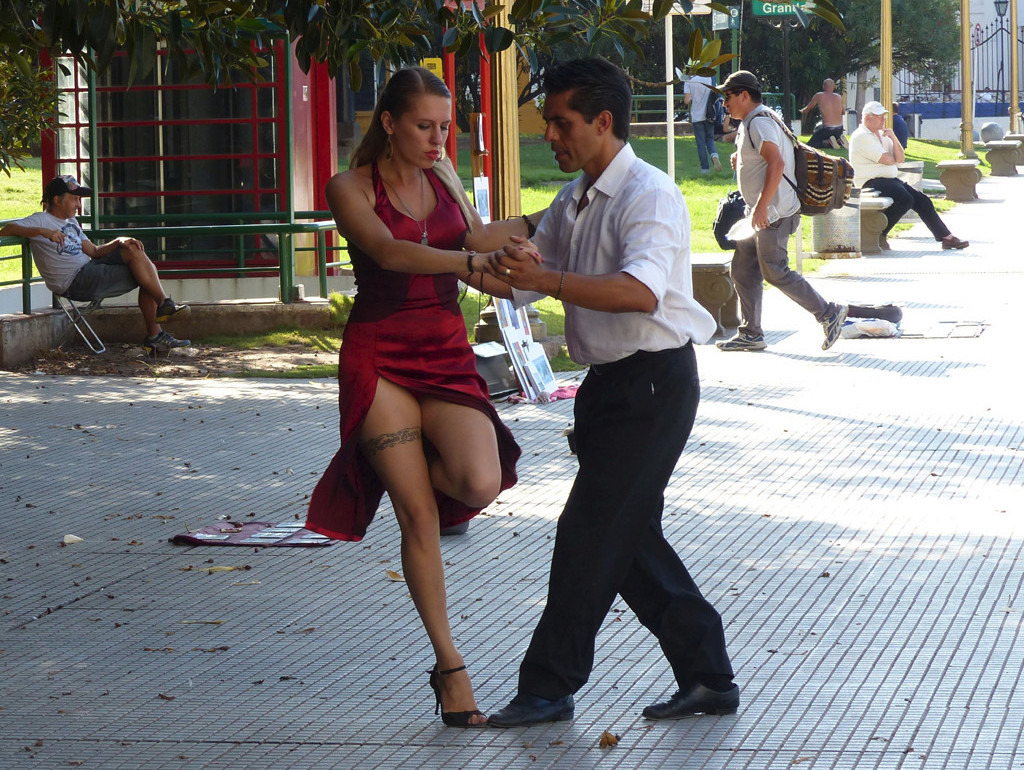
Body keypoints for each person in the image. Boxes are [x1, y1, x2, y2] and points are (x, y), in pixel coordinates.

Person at [485, 57, 738, 728]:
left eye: (561, 123)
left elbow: (639, 291)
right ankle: (709, 676)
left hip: (654, 385)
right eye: (547, 123)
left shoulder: (648, 194)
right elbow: (521, 273)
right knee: (627, 540)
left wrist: (545, 281)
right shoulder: (576, 198)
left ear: (603, 121)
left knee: (589, 533)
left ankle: (547, 687)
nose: (550, 136)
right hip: (606, 389)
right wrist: (436, 256)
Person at [303, 66, 532, 728]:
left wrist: (542, 242)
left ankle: (392, 475)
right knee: (419, 516)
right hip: (380, 354)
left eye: (445, 128)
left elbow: (479, 250)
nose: (438, 140)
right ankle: (450, 666)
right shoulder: (349, 186)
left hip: (445, 349)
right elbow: (389, 252)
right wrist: (471, 263)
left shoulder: (447, 181)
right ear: (389, 123)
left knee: (480, 479)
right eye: (425, 127)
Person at [716, 71, 848, 352]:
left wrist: (762, 207)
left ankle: (829, 313)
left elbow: (776, 163)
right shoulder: (757, 119)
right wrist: (742, 159)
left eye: (728, 96)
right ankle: (751, 333)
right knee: (742, 270)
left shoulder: (759, 122)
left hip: (773, 213)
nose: (725, 103)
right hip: (761, 212)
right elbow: (766, 157)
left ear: (744, 95)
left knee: (775, 270)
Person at [0, 175, 190, 355]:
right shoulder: (40, 220)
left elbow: (94, 251)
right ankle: (158, 326)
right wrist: (43, 232)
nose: (78, 205)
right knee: (145, 274)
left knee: (134, 251)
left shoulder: (71, 221)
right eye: (74, 199)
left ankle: (163, 309)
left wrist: (119, 240)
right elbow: (6, 229)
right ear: (57, 200)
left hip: (90, 268)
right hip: (75, 281)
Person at [848, 101, 968, 251]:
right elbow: (886, 159)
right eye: (879, 116)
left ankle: (947, 238)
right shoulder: (861, 136)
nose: (883, 119)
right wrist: (892, 159)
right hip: (870, 182)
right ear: (867, 118)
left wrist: (893, 137)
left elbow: (900, 158)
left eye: (884, 116)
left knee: (922, 200)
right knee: (905, 199)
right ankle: (877, 234)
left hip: (888, 180)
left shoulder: (883, 134)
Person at [684, 74, 723, 173]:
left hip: (697, 116)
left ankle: (705, 169)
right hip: (709, 114)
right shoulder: (710, 78)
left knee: (701, 143)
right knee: (710, 139)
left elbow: (687, 100)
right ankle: (714, 155)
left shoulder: (689, 81)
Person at [799, 78, 847, 149]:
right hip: (839, 129)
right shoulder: (838, 97)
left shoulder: (819, 96)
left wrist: (801, 111)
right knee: (831, 137)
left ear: (823, 86)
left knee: (811, 144)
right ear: (834, 87)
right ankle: (839, 141)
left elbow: (807, 109)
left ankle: (828, 142)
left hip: (827, 129)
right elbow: (843, 112)